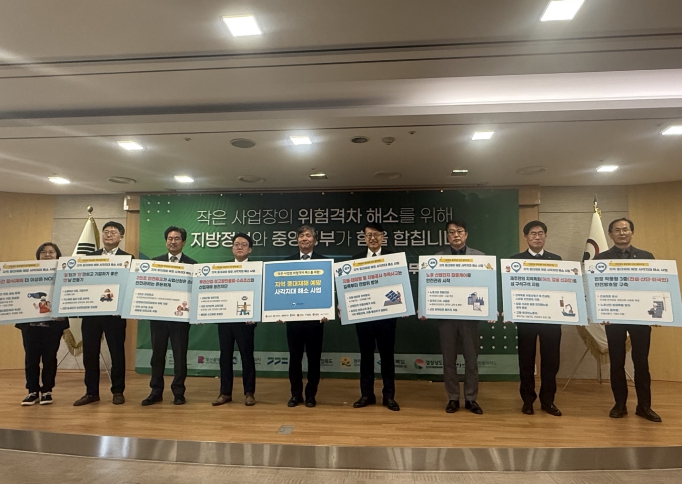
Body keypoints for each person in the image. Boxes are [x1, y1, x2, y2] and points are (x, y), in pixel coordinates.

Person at [595, 218, 661, 422]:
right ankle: (620, 404)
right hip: (614, 317)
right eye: (617, 230)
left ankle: (644, 406)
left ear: (632, 232)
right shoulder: (600, 259)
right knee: (616, 362)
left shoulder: (647, 257)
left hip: (641, 317)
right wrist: (600, 312)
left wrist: (659, 312)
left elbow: (655, 286)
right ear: (610, 234)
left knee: (641, 362)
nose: (622, 233)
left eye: (625, 229)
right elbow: (595, 288)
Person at [74, 221, 134, 406]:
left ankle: (118, 391)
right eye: (106, 232)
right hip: (91, 314)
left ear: (121, 237)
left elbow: (131, 286)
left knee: (117, 353)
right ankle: (91, 392)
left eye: (113, 232)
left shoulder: (128, 258)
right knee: (90, 354)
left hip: (115, 316)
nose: (108, 235)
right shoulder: (88, 257)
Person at [510, 220, 563, 417]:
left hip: (551, 319)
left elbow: (563, 288)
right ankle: (527, 400)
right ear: (525, 237)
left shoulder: (556, 260)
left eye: (541, 233)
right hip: (527, 319)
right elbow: (510, 289)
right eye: (533, 234)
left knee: (551, 362)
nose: (537, 237)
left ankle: (548, 401)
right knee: (526, 361)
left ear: (545, 236)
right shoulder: (515, 261)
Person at [142, 226, 197, 406]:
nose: (173, 242)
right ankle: (156, 391)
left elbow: (195, 293)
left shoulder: (192, 265)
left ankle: (178, 392)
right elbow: (147, 288)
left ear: (184, 242)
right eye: (170, 238)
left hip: (180, 319)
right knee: (157, 356)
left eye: (177, 238)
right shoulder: (155, 263)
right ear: (166, 241)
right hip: (159, 318)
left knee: (180, 357)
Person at [435, 220, 484, 414]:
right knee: (449, 360)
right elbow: (430, 286)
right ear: (447, 236)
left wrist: (490, 308)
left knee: (471, 360)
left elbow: (487, 285)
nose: (456, 235)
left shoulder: (480, 258)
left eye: (459, 231)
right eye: (451, 232)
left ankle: (471, 399)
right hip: (446, 317)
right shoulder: (437, 258)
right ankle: (453, 398)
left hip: (470, 317)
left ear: (466, 234)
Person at [351, 222, 400, 411]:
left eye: (376, 235)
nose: (372, 238)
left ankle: (389, 396)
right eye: (369, 235)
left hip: (387, 317)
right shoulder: (355, 259)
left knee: (387, 357)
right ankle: (367, 395)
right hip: (363, 317)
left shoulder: (392, 259)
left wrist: (403, 305)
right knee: (366, 356)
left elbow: (399, 285)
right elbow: (350, 287)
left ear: (383, 237)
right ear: (364, 238)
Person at [17, 243, 69, 406]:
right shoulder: (28, 272)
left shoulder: (63, 274)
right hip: (30, 325)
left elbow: (69, 295)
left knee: (49, 359)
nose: (47, 254)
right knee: (31, 359)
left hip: (53, 325)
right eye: (43, 252)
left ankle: (47, 391)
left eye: (51, 252)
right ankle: (32, 391)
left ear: (57, 255)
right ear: (38, 255)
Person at [283, 225, 328, 408]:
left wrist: (327, 311)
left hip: (315, 321)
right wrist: (279, 311)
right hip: (293, 321)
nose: (304, 238)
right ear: (297, 241)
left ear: (314, 240)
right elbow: (281, 291)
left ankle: (310, 395)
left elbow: (327, 291)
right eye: (301, 236)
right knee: (294, 359)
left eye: (308, 235)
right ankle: (295, 395)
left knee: (314, 359)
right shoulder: (287, 262)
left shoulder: (324, 262)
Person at [213, 232, 257, 407]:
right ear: (232, 248)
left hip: (246, 321)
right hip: (225, 320)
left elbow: (260, 294)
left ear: (250, 249)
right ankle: (225, 393)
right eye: (236, 244)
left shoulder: (256, 268)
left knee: (247, 356)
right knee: (225, 356)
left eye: (244, 244)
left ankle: (249, 393)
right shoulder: (222, 269)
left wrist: (255, 315)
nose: (240, 247)